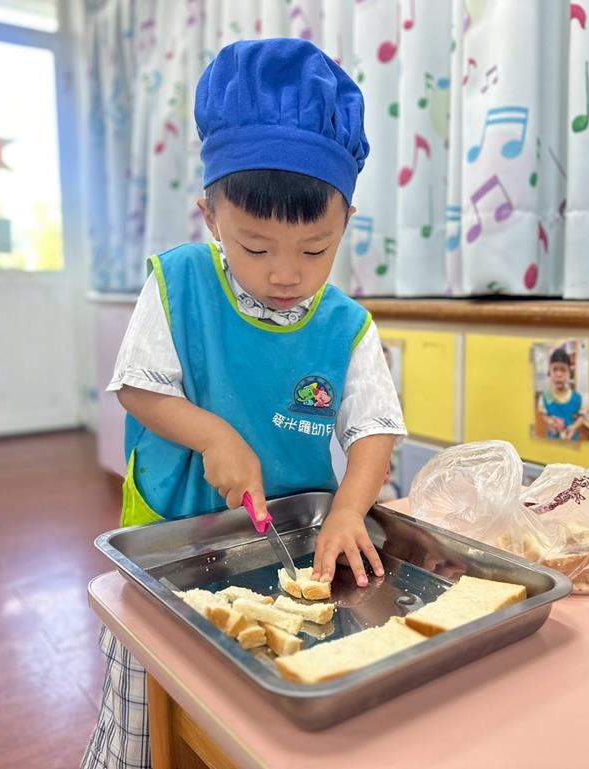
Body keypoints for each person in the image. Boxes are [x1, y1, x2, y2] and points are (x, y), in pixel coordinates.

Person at [81, 38, 405, 769]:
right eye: (256, 248)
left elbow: (374, 430)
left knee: (254, 720)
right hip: (173, 538)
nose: (286, 275)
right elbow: (137, 386)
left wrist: (349, 509)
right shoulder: (179, 283)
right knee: (150, 701)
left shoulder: (347, 326)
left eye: (315, 250)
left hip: (281, 549)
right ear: (210, 215)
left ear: (346, 222)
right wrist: (213, 435)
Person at [540, 347, 585, 441]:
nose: (559, 375)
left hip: (572, 439)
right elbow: (543, 414)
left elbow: (581, 417)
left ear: (569, 373)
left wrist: (573, 428)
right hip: (552, 438)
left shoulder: (577, 398)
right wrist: (550, 422)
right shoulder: (545, 396)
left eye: (563, 370)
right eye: (555, 369)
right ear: (549, 373)